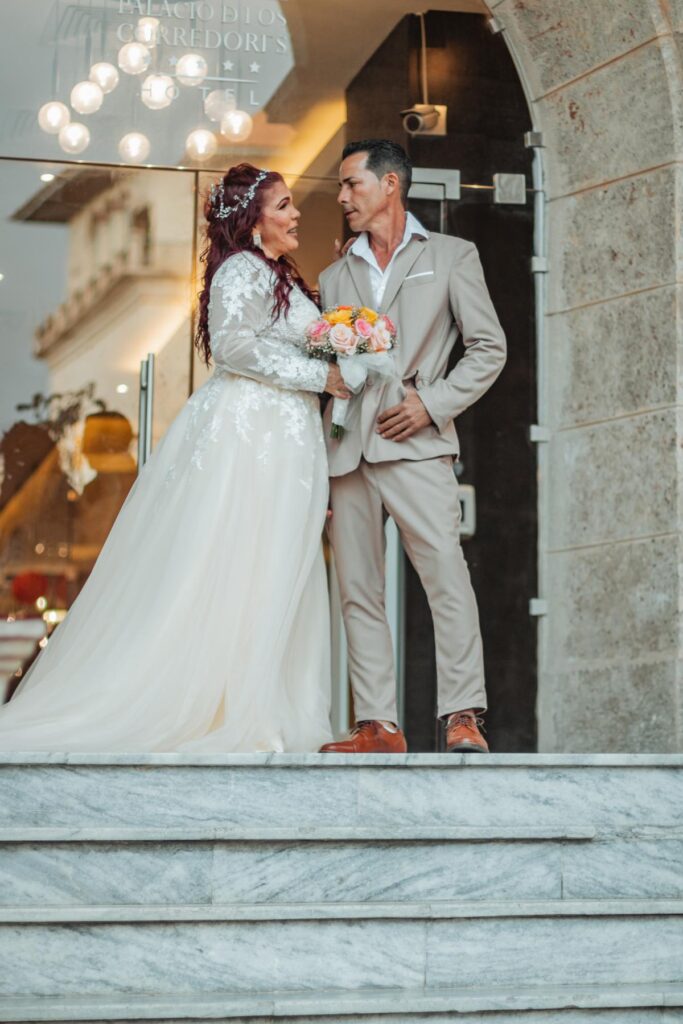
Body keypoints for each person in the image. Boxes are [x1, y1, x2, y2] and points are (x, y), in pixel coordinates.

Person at [0, 163, 349, 753]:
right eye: (285, 205)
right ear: (253, 219)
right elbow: (236, 347)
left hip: (284, 436)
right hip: (250, 434)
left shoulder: (277, 273)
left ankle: (260, 700)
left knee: (275, 559)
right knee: (243, 559)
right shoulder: (241, 269)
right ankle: (229, 707)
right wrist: (325, 375)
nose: (296, 215)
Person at [319, 140, 506, 755]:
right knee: (357, 589)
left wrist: (432, 404)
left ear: (391, 184)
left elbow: (488, 348)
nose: (343, 197)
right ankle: (378, 724)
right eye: (342, 188)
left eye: (353, 184)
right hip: (347, 450)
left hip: (419, 444)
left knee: (446, 576)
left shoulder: (452, 255)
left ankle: (461, 716)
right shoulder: (333, 273)